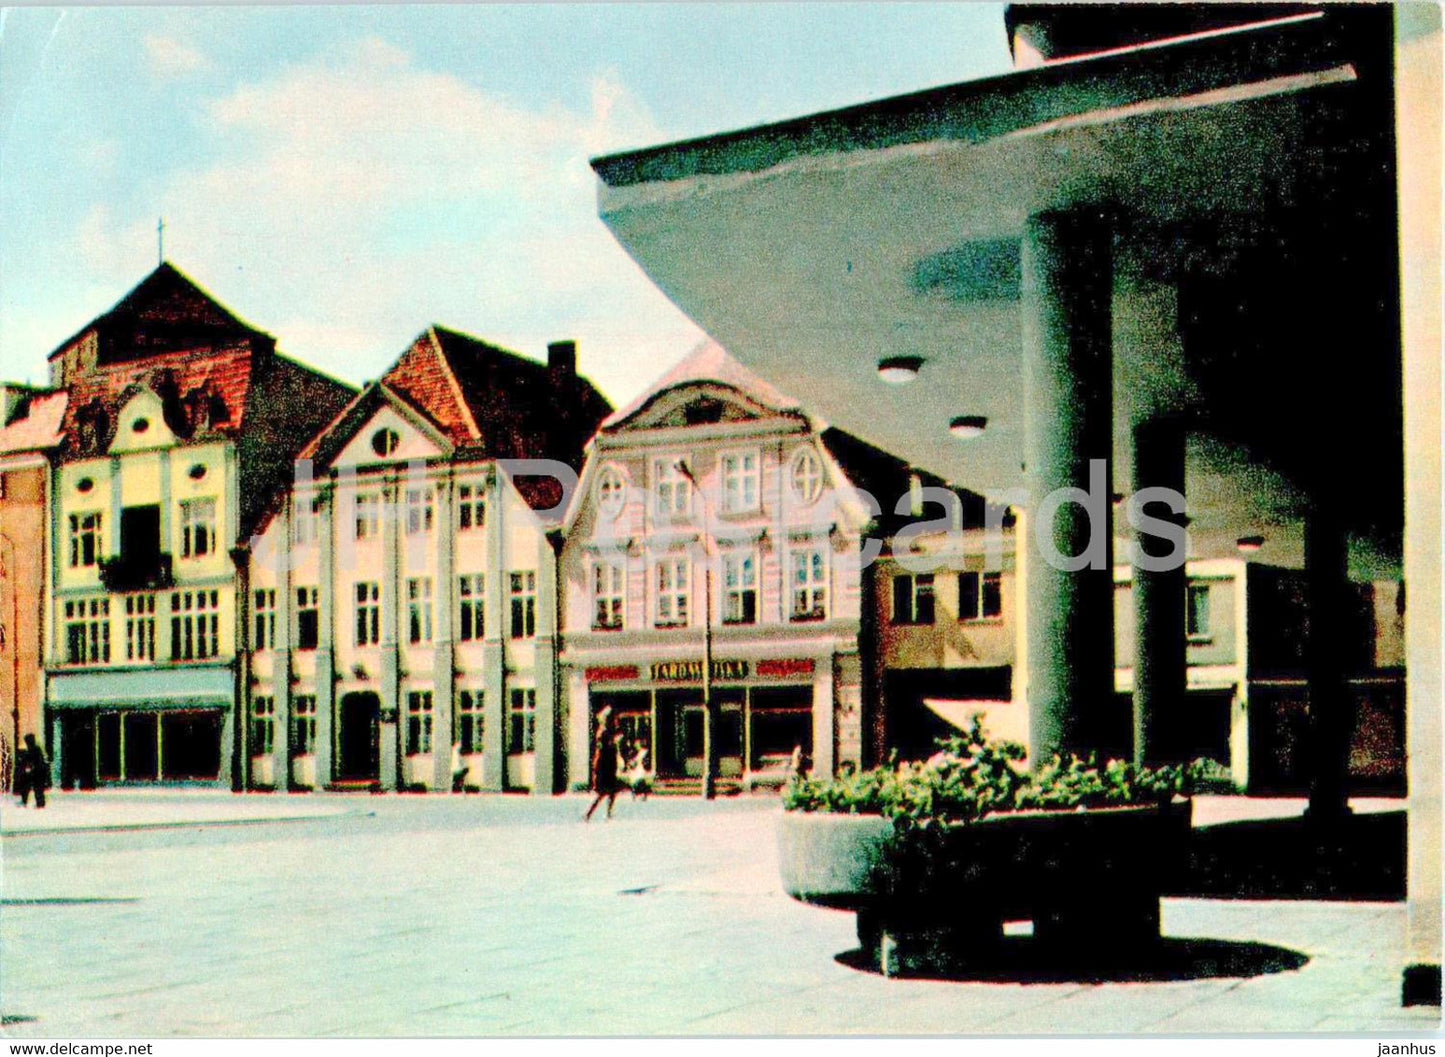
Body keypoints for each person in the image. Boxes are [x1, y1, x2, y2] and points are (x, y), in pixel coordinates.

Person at [584, 706, 621, 822]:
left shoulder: (608, 732)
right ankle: (589, 814)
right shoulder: (604, 733)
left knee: (611, 792)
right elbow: (603, 749)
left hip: (609, 765)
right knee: (604, 792)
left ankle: (607, 813)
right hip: (605, 766)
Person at [15, 734, 49, 809]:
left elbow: (32, 760)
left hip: (38, 772)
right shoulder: (35, 749)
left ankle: (38, 803)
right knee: (36, 788)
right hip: (38, 771)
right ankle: (38, 803)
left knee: (36, 788)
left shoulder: (34, 749)